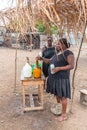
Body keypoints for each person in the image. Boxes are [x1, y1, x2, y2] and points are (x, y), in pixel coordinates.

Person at [37, 38, 74, 122]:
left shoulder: (68, 53)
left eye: (59, 44)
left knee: (63, 96)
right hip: (55, 79)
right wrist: (41, 58)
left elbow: (71, 65)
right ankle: (59, 108)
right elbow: (49, 61)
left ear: (64, 45)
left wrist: (59, 68)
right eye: (57, 43)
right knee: (58, 94)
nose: (57, 45)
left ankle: (64, 115)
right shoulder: (58, 53)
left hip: (62, 79)